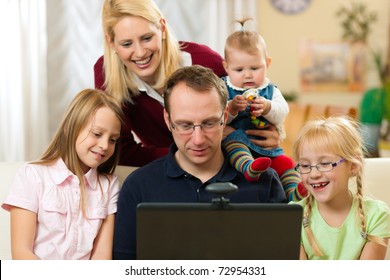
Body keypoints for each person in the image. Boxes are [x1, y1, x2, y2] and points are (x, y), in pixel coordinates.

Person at [113, 65, 286, 259]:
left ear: (225, 116)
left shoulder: (265, 182)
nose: (198, 139)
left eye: (209, 123)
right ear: (168, 120)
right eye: (185, 125)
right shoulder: (138, 187)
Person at [94, 0, 281, 167]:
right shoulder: (106, 74)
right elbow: (120, 151)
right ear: (111, 42)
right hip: (164, 171)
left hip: (227, 165)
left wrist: (273, 133)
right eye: (127, 44)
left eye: (146, 38)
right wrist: (183, 155)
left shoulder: (206, 61)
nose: (140, 52)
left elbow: (253, 102)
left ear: (162, 28)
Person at [1, 89, 124, 260]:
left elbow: (101, 257)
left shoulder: (109, 186)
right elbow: (22, 253)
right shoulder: (31, 176)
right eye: (97, 134)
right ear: (70, 128)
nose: (105, 145)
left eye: (113, 140)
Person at [221, 19, 306, 201]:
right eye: (239, 69)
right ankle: (249, 168)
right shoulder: (223, 89)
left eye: (255, 67)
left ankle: (294, 192)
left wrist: (268, 107)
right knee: (234, 142)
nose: (248, 74)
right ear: (226, 67)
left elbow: (282, 111)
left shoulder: (270, 90)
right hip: (239, 145)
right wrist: (232, 107)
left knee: (286, 163)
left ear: (267, 63)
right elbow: (217, 117)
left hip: (266, 148)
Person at [291, 116, 390, 260]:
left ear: (353, 166)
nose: (313, 174)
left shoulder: (376, 215)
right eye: (305, 165)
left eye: (325, 163)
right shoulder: (293, 215)